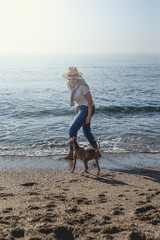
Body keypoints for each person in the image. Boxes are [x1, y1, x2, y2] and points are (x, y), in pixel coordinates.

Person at [62, 66, 99, 160]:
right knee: (86, 132)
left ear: (77, 77)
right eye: (70, 78)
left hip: (88, 108)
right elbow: (76, 96)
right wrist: (77, 106)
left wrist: (89, 116)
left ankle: (71, 153)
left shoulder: (83, 85)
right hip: (81, 107)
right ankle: (96, 151)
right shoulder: (69, 84)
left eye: (74, 78)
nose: (72, 80)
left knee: (72, 129)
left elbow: (90, 101)